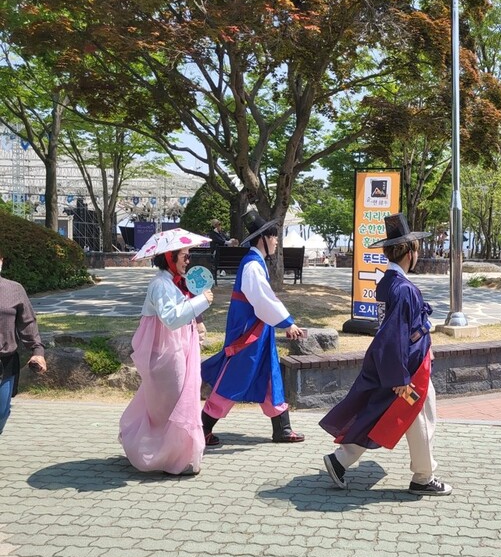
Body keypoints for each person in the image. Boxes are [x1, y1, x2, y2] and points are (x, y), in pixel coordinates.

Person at [319, 213, 452, 496]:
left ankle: (341, 460)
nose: (417, 252)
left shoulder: (389, 282)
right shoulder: (402, 288)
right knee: (419, 414)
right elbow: (394, 335)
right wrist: (400, 376)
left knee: (380, 413)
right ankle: (423, 477)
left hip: (401, 365)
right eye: (415, 248)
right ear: (408, 252)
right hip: (406, 371)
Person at [200, 210, 306, 446]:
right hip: (248, 333)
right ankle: (203, 426)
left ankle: (282, 428)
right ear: (264, 238)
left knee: (268, 375)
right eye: (274, 236)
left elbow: (263, 300)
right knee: (235, 377)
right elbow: (262, 299)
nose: (277, 240)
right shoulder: (252, 265)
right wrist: (288, 323)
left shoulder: (255, 263)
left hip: (258, 329)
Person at [119, 230, 214, 475]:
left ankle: (180, 456)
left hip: (176, 352)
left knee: (182, 402)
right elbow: (171, 319)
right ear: (170, 257)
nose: (188, 260)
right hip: (166, 356)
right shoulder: (160, 285)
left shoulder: (172, 283)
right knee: (173, 406)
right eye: (184, 255)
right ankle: (172, 458)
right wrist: (201, 300)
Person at [0, 247, 47, 435]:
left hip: (5, 363)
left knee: (2, 412)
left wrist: (38, 352)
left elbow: (28, 323)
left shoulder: (14, 289)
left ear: (1, 261)